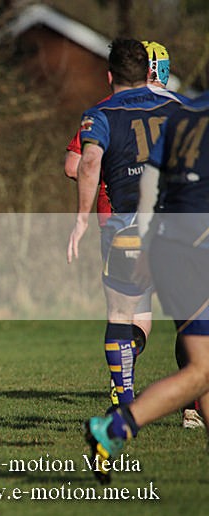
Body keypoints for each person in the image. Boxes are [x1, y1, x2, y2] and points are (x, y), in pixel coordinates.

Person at [84, 89, 209, 484]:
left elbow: (151, 182)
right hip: (197, 246)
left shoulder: (183, 115)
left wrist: (146, 238)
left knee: (203, 369)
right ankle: (116, 427)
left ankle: (116, 426)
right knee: (201, 369)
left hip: (170, 244)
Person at [62, 40, 190, 409]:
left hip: (127, 225)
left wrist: (81, 219)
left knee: (122, 313)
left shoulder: (100, 113)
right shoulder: (180, 107)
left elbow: (85, 165)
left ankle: (124, 400)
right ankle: (193, 405)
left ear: (109, 76)